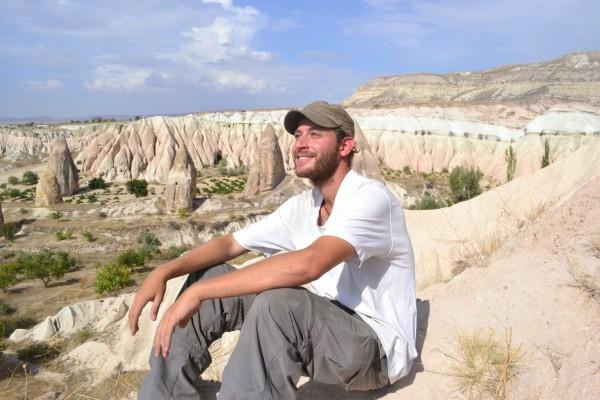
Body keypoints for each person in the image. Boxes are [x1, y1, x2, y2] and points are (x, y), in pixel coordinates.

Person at [128, 101, 417, 400]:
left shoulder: (370, 198)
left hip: (374, 349)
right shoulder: (303, 206)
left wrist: (197, 293)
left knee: (277, 303)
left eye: (315, 134)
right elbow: (230, 244)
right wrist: (165, 271)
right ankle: (163, 394)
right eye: (297, 135)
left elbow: (309, 265)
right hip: (319, 327)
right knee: (210, 275)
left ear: (345, 146)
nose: (300, 144)